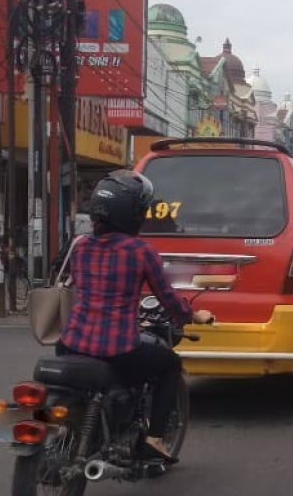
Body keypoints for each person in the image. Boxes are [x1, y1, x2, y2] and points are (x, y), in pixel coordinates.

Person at [58, 170, 213, 462]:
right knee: (169, 365)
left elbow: (74, 283)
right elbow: (167, 298)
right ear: (134, 214)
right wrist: (193, 315)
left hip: (71, 342)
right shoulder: (140, 251)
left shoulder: (79, 246)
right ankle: (153, 439)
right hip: (116, 348)